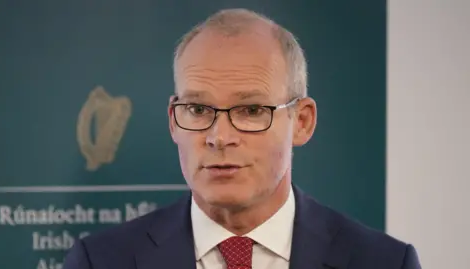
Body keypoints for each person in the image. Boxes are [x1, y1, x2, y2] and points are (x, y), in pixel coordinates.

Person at [63, 8, 421, 269]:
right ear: (173, 121)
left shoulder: (385, 263)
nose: (220, 137)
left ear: (302, 122)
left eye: (251, 111)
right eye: (199, 110)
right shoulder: (101, 262)